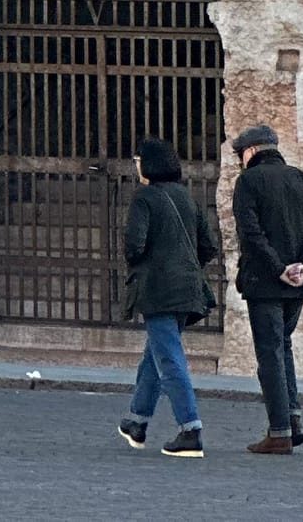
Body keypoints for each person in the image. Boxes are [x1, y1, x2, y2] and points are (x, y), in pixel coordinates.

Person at [117, 138, 218, 459]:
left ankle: (190, 428)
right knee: (156, 353)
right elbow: (208, 246)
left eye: (138, 161)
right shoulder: (186, 197)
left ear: (148, 164)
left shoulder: (144, 197)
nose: (136, 167)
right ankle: (137, 420)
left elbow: (134, 245)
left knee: (169, 359)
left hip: (158, 290)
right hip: (188, 288)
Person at [230, 119, 303, 453]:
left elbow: (251, 234)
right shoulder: (302, 180)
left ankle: (279, 432)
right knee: (284, 346)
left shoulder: (248, 181)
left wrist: (278, 269)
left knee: (270, 353)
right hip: (298, 283)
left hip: (265, 283)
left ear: (250, 151)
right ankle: (292, 418)